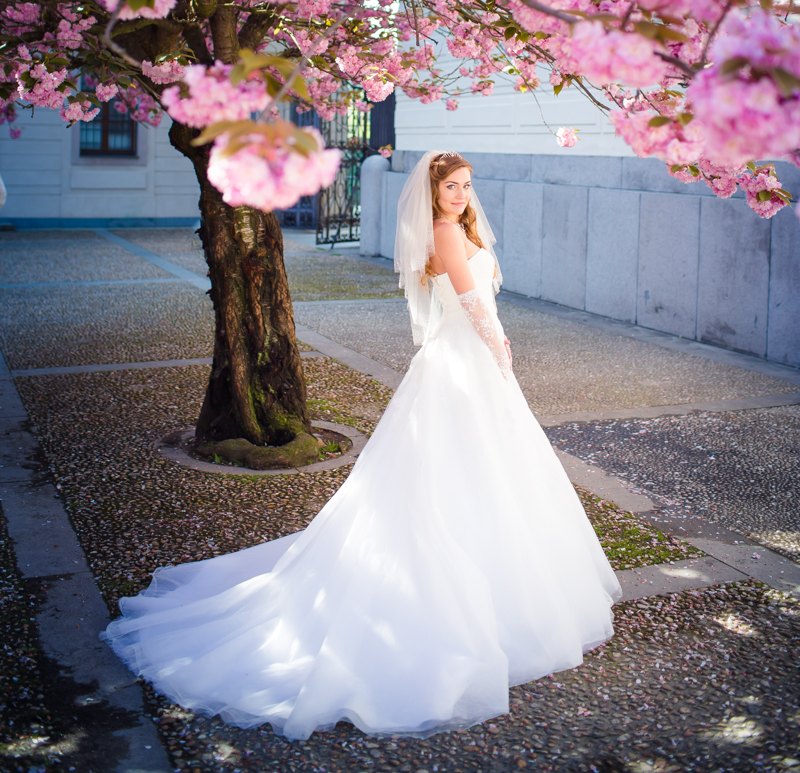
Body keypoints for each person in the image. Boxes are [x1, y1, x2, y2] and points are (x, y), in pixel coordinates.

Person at [102, 150, 620, 739]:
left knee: (486, 467)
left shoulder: (459, 226)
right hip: (465, 361)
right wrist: (501, 348)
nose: (460, 194)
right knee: (459, 464)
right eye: (451, 186)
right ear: (432, 193)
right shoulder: (447, 234)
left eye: (466, 185)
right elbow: (474, 303)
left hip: (465, 361)